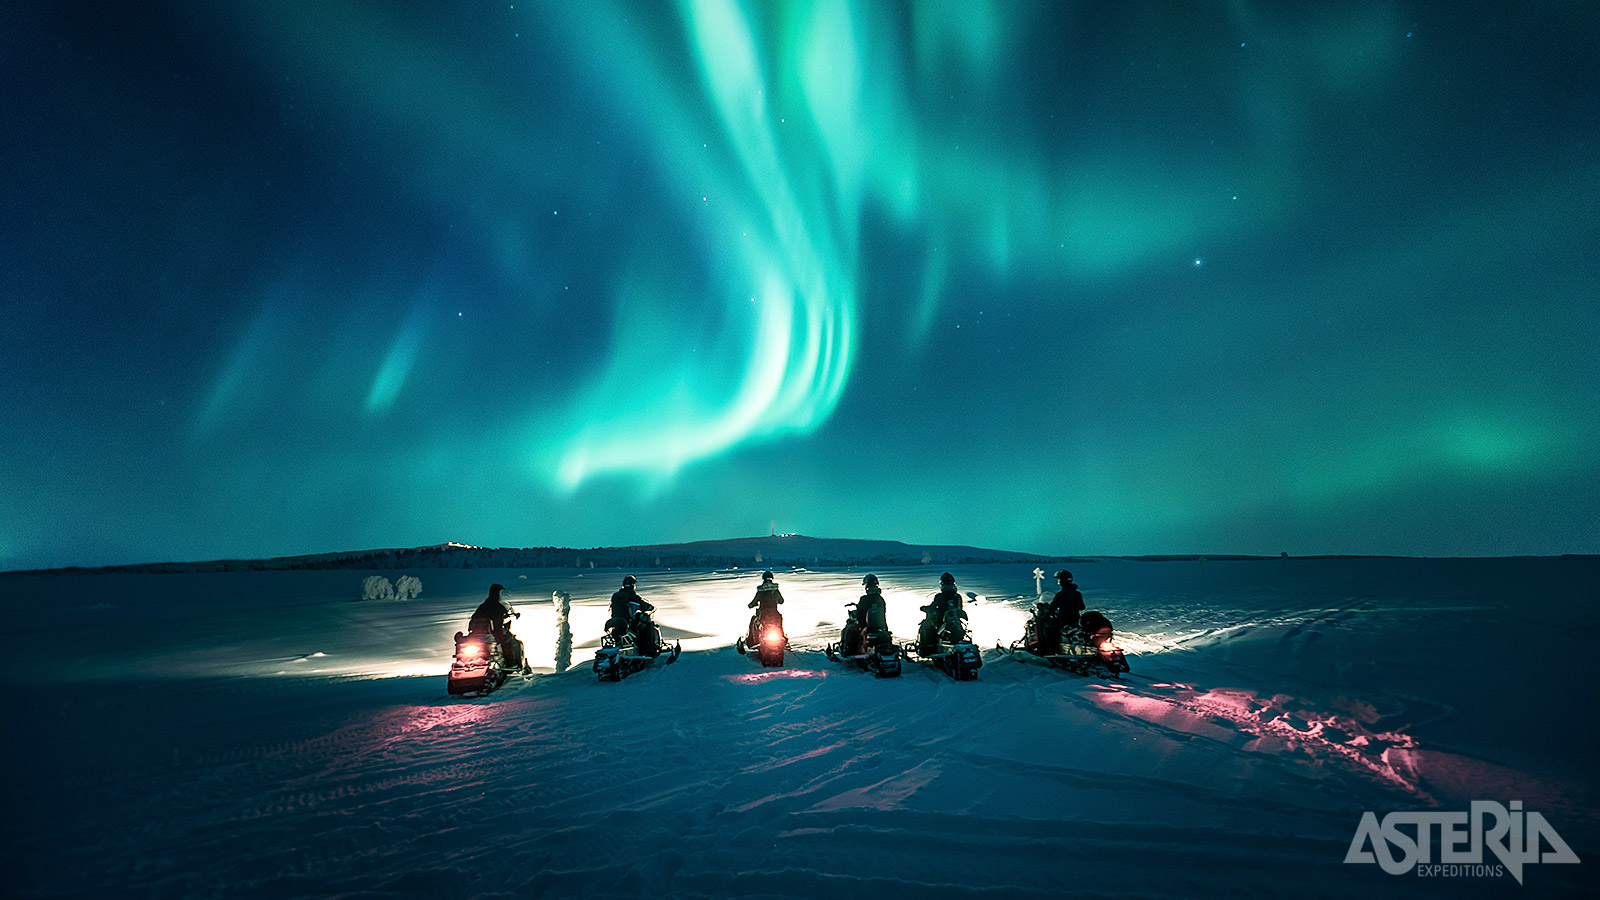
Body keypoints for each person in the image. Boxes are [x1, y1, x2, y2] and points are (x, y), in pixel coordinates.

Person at [468, 583, 528, 671]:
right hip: (493, 632)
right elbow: (501, 616)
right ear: (497, 593)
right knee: (509, 640)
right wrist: (510, 616)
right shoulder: (497, 605)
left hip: (477, 633)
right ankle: (512, 664)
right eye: (500, 593)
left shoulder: (484, 605)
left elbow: (475, 617)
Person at [1033, 569, 1086, 654]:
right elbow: (1082, 607)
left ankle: (1052, 650)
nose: (1058, 581)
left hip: (1064, 620)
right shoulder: (1077, 593)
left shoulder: (1061, 595)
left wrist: (1045, 610)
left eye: (1059, 579)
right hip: (1075, 620)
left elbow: (1052, 608)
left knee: (1048, 629)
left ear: (1062, 581)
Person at [917, 572, 967, 654]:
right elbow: (959, 608)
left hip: (942, 621)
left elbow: (932, 607)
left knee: (928, 627)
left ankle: (928, 648)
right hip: (955, 621)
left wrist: (925, 608)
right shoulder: (957, 596)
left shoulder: (940, 596)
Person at [608, 574, 657, 651]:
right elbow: (643, 605)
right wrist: (650, 607)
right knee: (646, 626)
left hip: (615, 621)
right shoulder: (632, 596)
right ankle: (648, 649)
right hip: (628, 622)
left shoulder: (616, 596)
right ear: (633, 585)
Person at [746, 570, 785, 647]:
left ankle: (753, 641)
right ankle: (782, 637)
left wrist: (751, 605)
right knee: (778, 623)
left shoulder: (760, 591)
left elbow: (754, 601)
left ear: (763, 579)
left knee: (753, 622)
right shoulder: (776, 590)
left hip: (763, 613)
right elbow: (781, 601)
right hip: (774, 612)